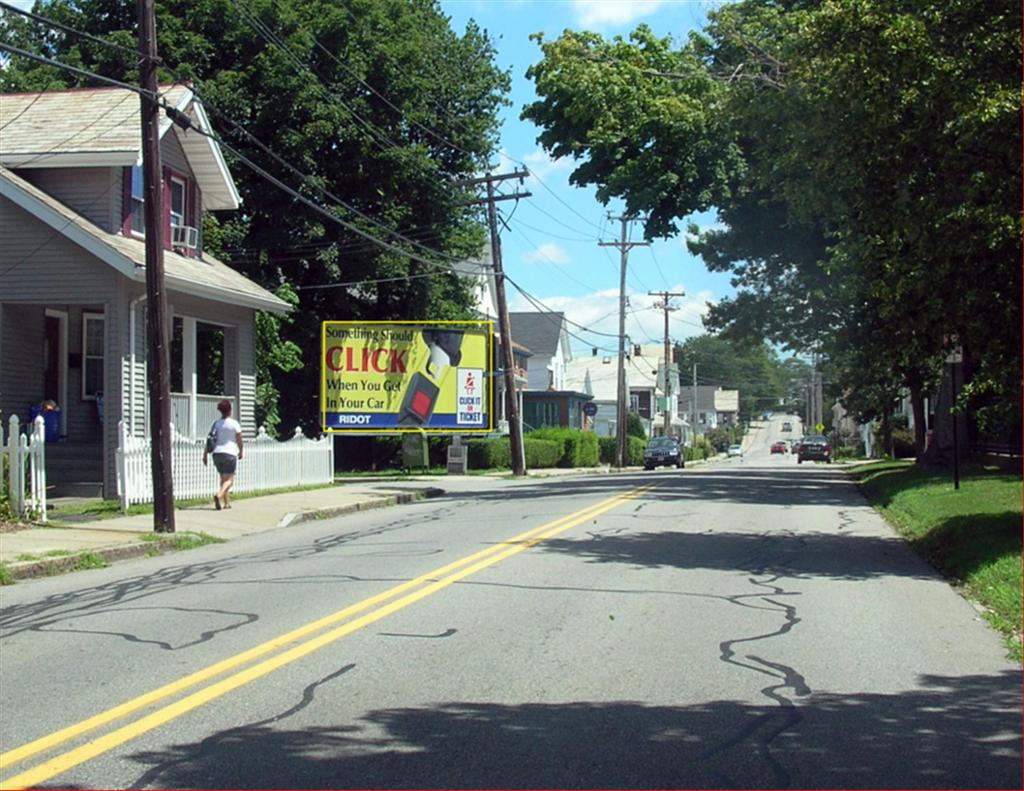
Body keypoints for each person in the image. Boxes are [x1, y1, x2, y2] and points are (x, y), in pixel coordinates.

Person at [202, 399, 243, 510]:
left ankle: (226, 503)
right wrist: (241, 451)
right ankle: (219, 495)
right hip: (230, 453)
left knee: (223, 478)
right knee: (230, 480)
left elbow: (210, 439)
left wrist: (205, 454)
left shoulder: (216, 424)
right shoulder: (234, 423)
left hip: (217, 453)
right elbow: (239, 439)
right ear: (230, 410)